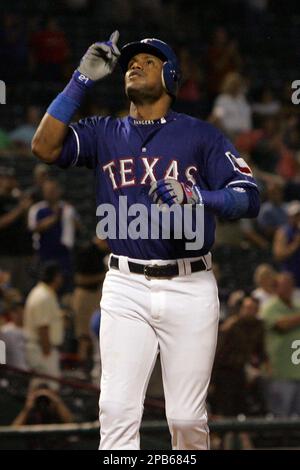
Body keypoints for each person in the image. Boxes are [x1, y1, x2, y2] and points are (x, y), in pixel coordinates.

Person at [31, 32, 260, 450]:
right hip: (125, 284)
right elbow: (44, 147)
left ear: (171, 76)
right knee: (116, 411)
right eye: (131, 61)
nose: (135, 64)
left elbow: (249, 197)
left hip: (190, 284)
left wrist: (198, 195)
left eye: (148, 61)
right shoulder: (103, 131)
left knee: (187, 418)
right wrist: (80, 79)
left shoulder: (200, 136)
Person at [260, 272, 300, 416]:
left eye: (290, 285)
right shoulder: (270, 307)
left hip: (297, 371)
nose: (289, 289)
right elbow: (282, 325)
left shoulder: (297, 306)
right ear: (276, 288)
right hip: (279, 373)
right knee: (281, 418)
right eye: (285, 286)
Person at [24, 262, 64, 389]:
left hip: (41, 348)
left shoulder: (43, 292)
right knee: (49, 389)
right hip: (43, 349)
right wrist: (47, 353)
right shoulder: (43, 296)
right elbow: (43, 327)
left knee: (40, 388)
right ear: (56, 277)